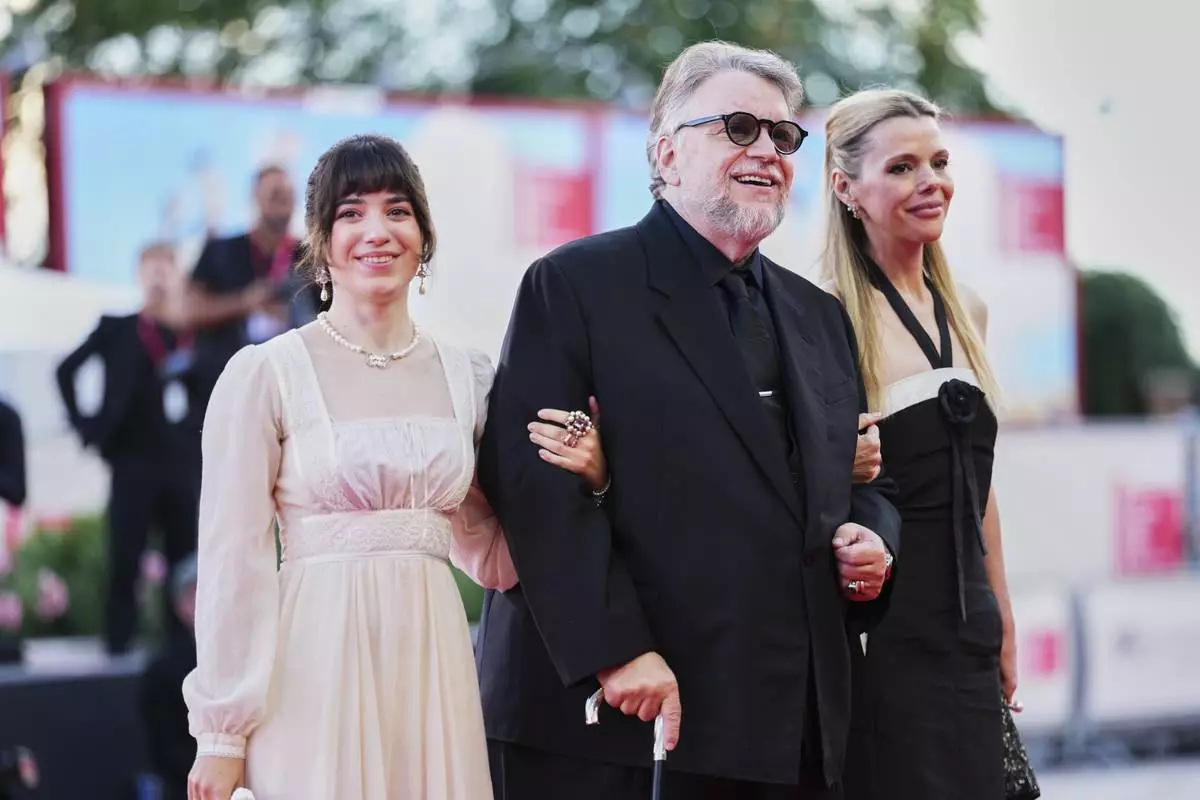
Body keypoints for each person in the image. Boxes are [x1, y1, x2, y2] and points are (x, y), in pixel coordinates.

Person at [475, 41, 901, 799]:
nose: (766, 150)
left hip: (792, 723)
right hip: (620, 721)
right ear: (667, 154)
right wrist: (614, 651)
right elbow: (537, 491)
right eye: (739, 128)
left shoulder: (818, 315)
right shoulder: (574, 286)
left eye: (782, 135)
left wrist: (873, 538)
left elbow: (859, 473)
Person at [182, 134, 611, 800]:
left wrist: (591, 478)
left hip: (433, 666)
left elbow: (497, 555)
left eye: (398, 210)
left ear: (424, 236)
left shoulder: (469, 377)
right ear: (321, 242)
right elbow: (231, 561)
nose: (376, 231)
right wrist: (222, 734)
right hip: (311, 671)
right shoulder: (267, 375)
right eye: (351, 212)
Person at [818, 88, 1017, 800]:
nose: (931, 182)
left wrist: (1003, 616)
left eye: (939, 162)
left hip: (969, 629)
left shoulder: (970, 309)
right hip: (883, 637)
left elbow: (980, 488)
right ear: (846, 188)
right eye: (902, 167)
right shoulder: (827, 312)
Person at [56, 243, 202, 654]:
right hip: (131, 462)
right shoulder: (119, 330)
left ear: (178, 275)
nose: (158, 277)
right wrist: (86, 426)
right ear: (139, 275)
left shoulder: (191, 334)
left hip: (180, 462)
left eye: (165, 268)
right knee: (125, 555)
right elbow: (66, 371)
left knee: (184, 558)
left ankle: (181, 649)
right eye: (151, 268)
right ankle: (118, 645)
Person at [185, 165, 317, 414]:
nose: (283, 200)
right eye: (275, 193)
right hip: (225, 392)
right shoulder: (219, 250)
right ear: (255, 197)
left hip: (294, 394)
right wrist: (244, 303)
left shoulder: (311, 257)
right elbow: (188, 310)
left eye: (289, 194)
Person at [139, 553, 199, 800]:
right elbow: (164, 749)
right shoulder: (163, 670)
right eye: (196, 593)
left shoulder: (243, 657)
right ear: (180, 605)